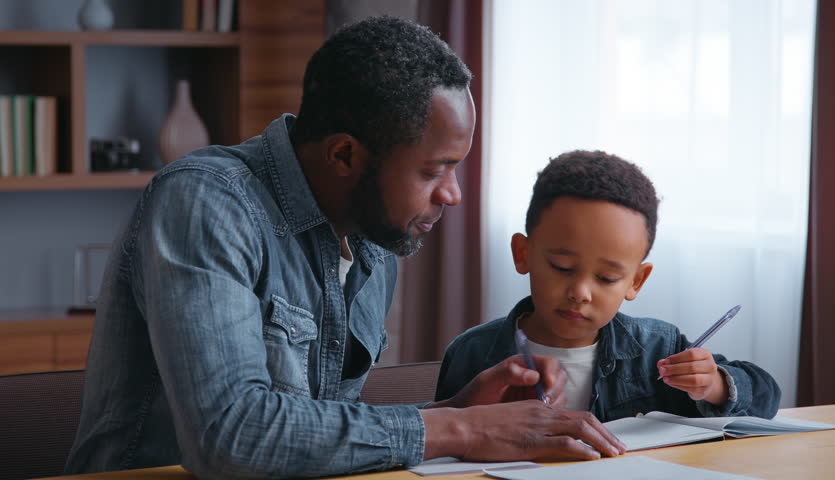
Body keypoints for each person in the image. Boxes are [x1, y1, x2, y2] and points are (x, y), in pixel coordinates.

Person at [65, 17, 626, 479]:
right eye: (435, 170)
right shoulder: (206, 203)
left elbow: (315, 432)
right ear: (344, 156)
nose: (452, 195)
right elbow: (228, 437)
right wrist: (459, 431)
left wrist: (454, 412)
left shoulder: (374, 234)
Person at [435, 150, 781, 422]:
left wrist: (715, 385)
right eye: (562, 267)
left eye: (607, 278)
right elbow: (442, 444)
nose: (581, 292)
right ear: (522, 254)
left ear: (636, 281)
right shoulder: (474, 352)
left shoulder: (658, 348)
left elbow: (767, 396)